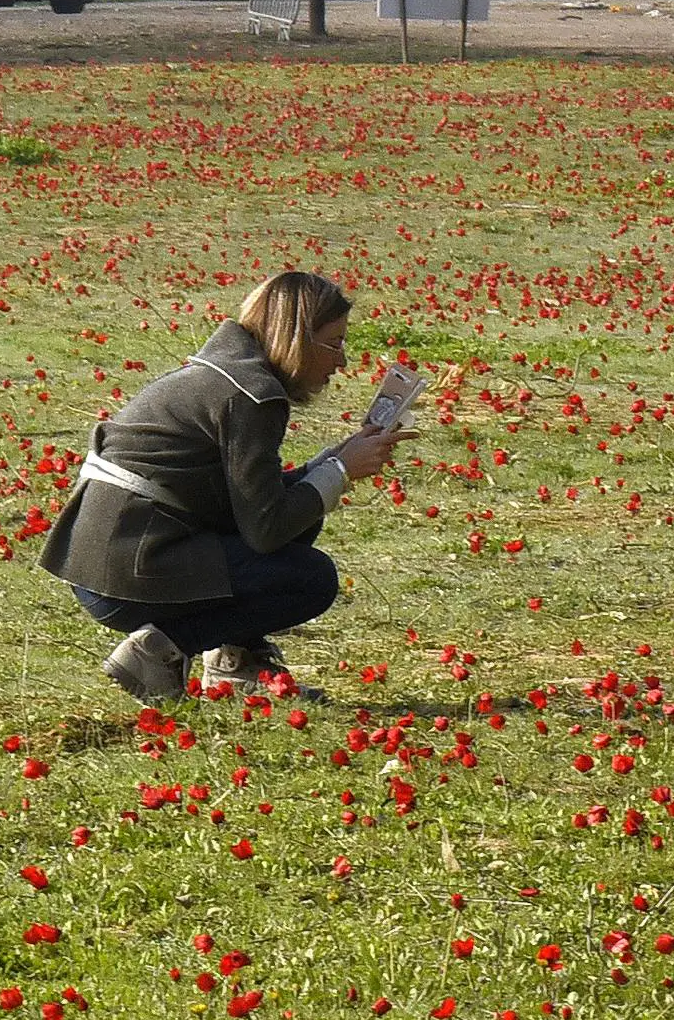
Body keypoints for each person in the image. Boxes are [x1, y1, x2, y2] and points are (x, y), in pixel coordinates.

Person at [40, 272, 416, 704]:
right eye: (334, 343)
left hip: (108, 563)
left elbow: (259, 503)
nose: (342, 361)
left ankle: (235, 662)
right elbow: (267, 528)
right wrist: (340, 472)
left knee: (300, 522)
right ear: (295, 338)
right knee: (311, 579)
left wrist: (335, 459)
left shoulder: (226, 375)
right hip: (127, 576)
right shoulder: (252, 395)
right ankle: (160, 650)